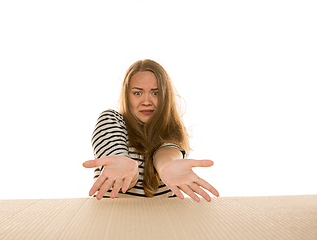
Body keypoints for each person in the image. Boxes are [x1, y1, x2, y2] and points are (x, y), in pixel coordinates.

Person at [83, 59, 219, 202]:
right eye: (137, 93)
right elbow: (116, 154)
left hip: (160, 222)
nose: (146, 101)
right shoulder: (112, 120)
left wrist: (168, 166)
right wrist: (126, 168)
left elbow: (166, 153)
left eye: (155, 93)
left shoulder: (172, 130)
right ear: (126, 96)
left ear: (165, 97)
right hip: (111, 220)